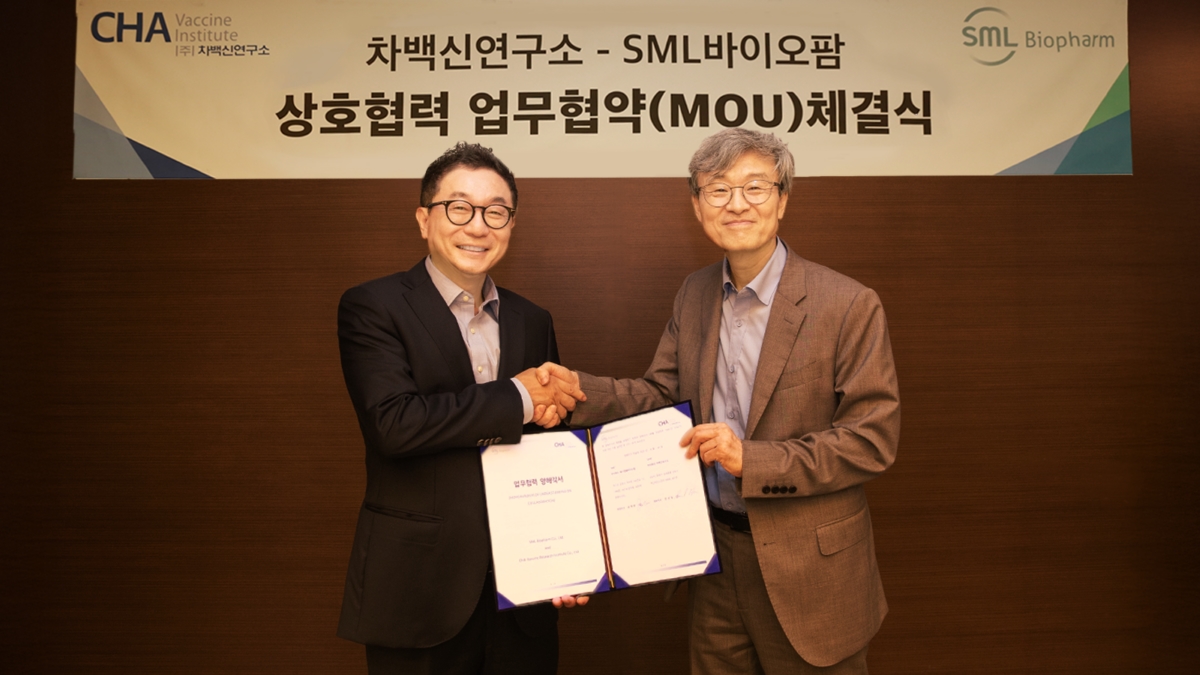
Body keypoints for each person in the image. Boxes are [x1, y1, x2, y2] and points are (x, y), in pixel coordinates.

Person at [541, 128, 900, 674]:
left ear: (782, 199)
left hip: (811, 571)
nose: (737, 204)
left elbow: (870, 441)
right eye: (718, 189)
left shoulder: (848, 304)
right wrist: (573, 391)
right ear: (697, 205)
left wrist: (749, 460)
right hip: (713, 558)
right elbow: (662, 397)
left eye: (755, 187)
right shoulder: (695, 293)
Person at [335, 142, 587, 675]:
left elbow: (549, 450)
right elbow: (394, 424)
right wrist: (519, 399)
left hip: (524, 589)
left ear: (511, 225)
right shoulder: (373, 306)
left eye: (496, 211)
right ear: (423, 219)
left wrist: (569, 555)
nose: (478, 226)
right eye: (459, 208)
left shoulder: (532, 319)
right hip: (420, 588)